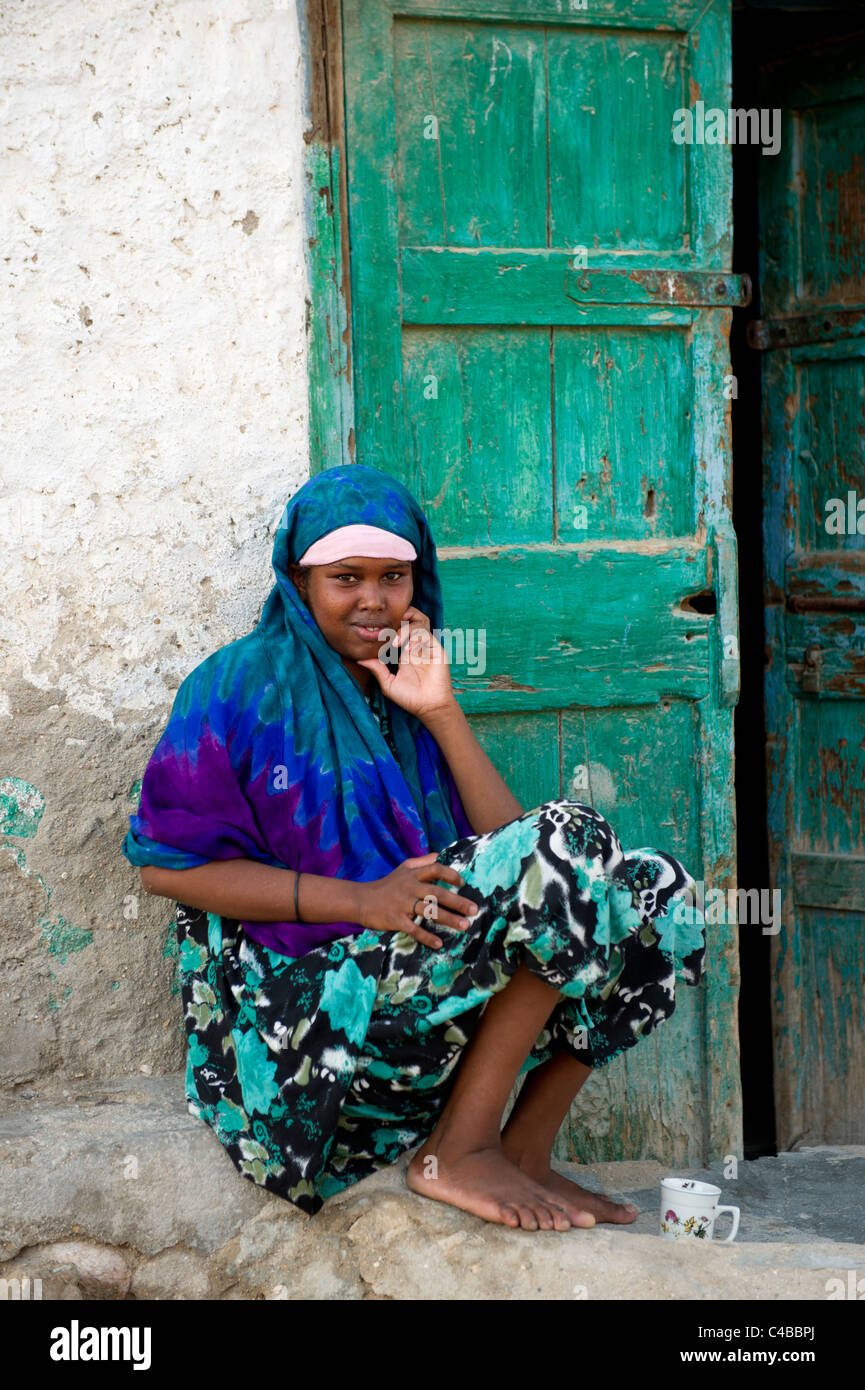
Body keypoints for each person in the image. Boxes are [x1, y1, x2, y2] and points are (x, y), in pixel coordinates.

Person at [122, 463, 706, 1233]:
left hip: (413, 969)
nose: (373, 599)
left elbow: (535, 858)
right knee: (572, 839)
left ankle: (519, 1148)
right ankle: (455, 1151)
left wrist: (439, 710)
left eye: (393, 577)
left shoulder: (399, 685)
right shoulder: (236, 685)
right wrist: (362, 901)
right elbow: (166, 868)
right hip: (304, 1016)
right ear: (299, 581)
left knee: (658, 894)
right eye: (345, 578)